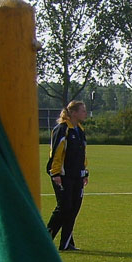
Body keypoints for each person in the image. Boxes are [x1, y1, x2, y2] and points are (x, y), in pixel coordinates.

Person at [46, 100, 89, 251]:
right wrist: (55, 173)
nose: (85, 113)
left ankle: (66, 243)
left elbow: (82, 153)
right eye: (82, 110)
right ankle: (45, 239)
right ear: (74, 112)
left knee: (74, 208)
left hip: (77, 175)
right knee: (64, 207)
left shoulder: (80, 130)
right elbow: (56, 153)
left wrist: (85, 172)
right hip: (63, 175)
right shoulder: (62, 129)